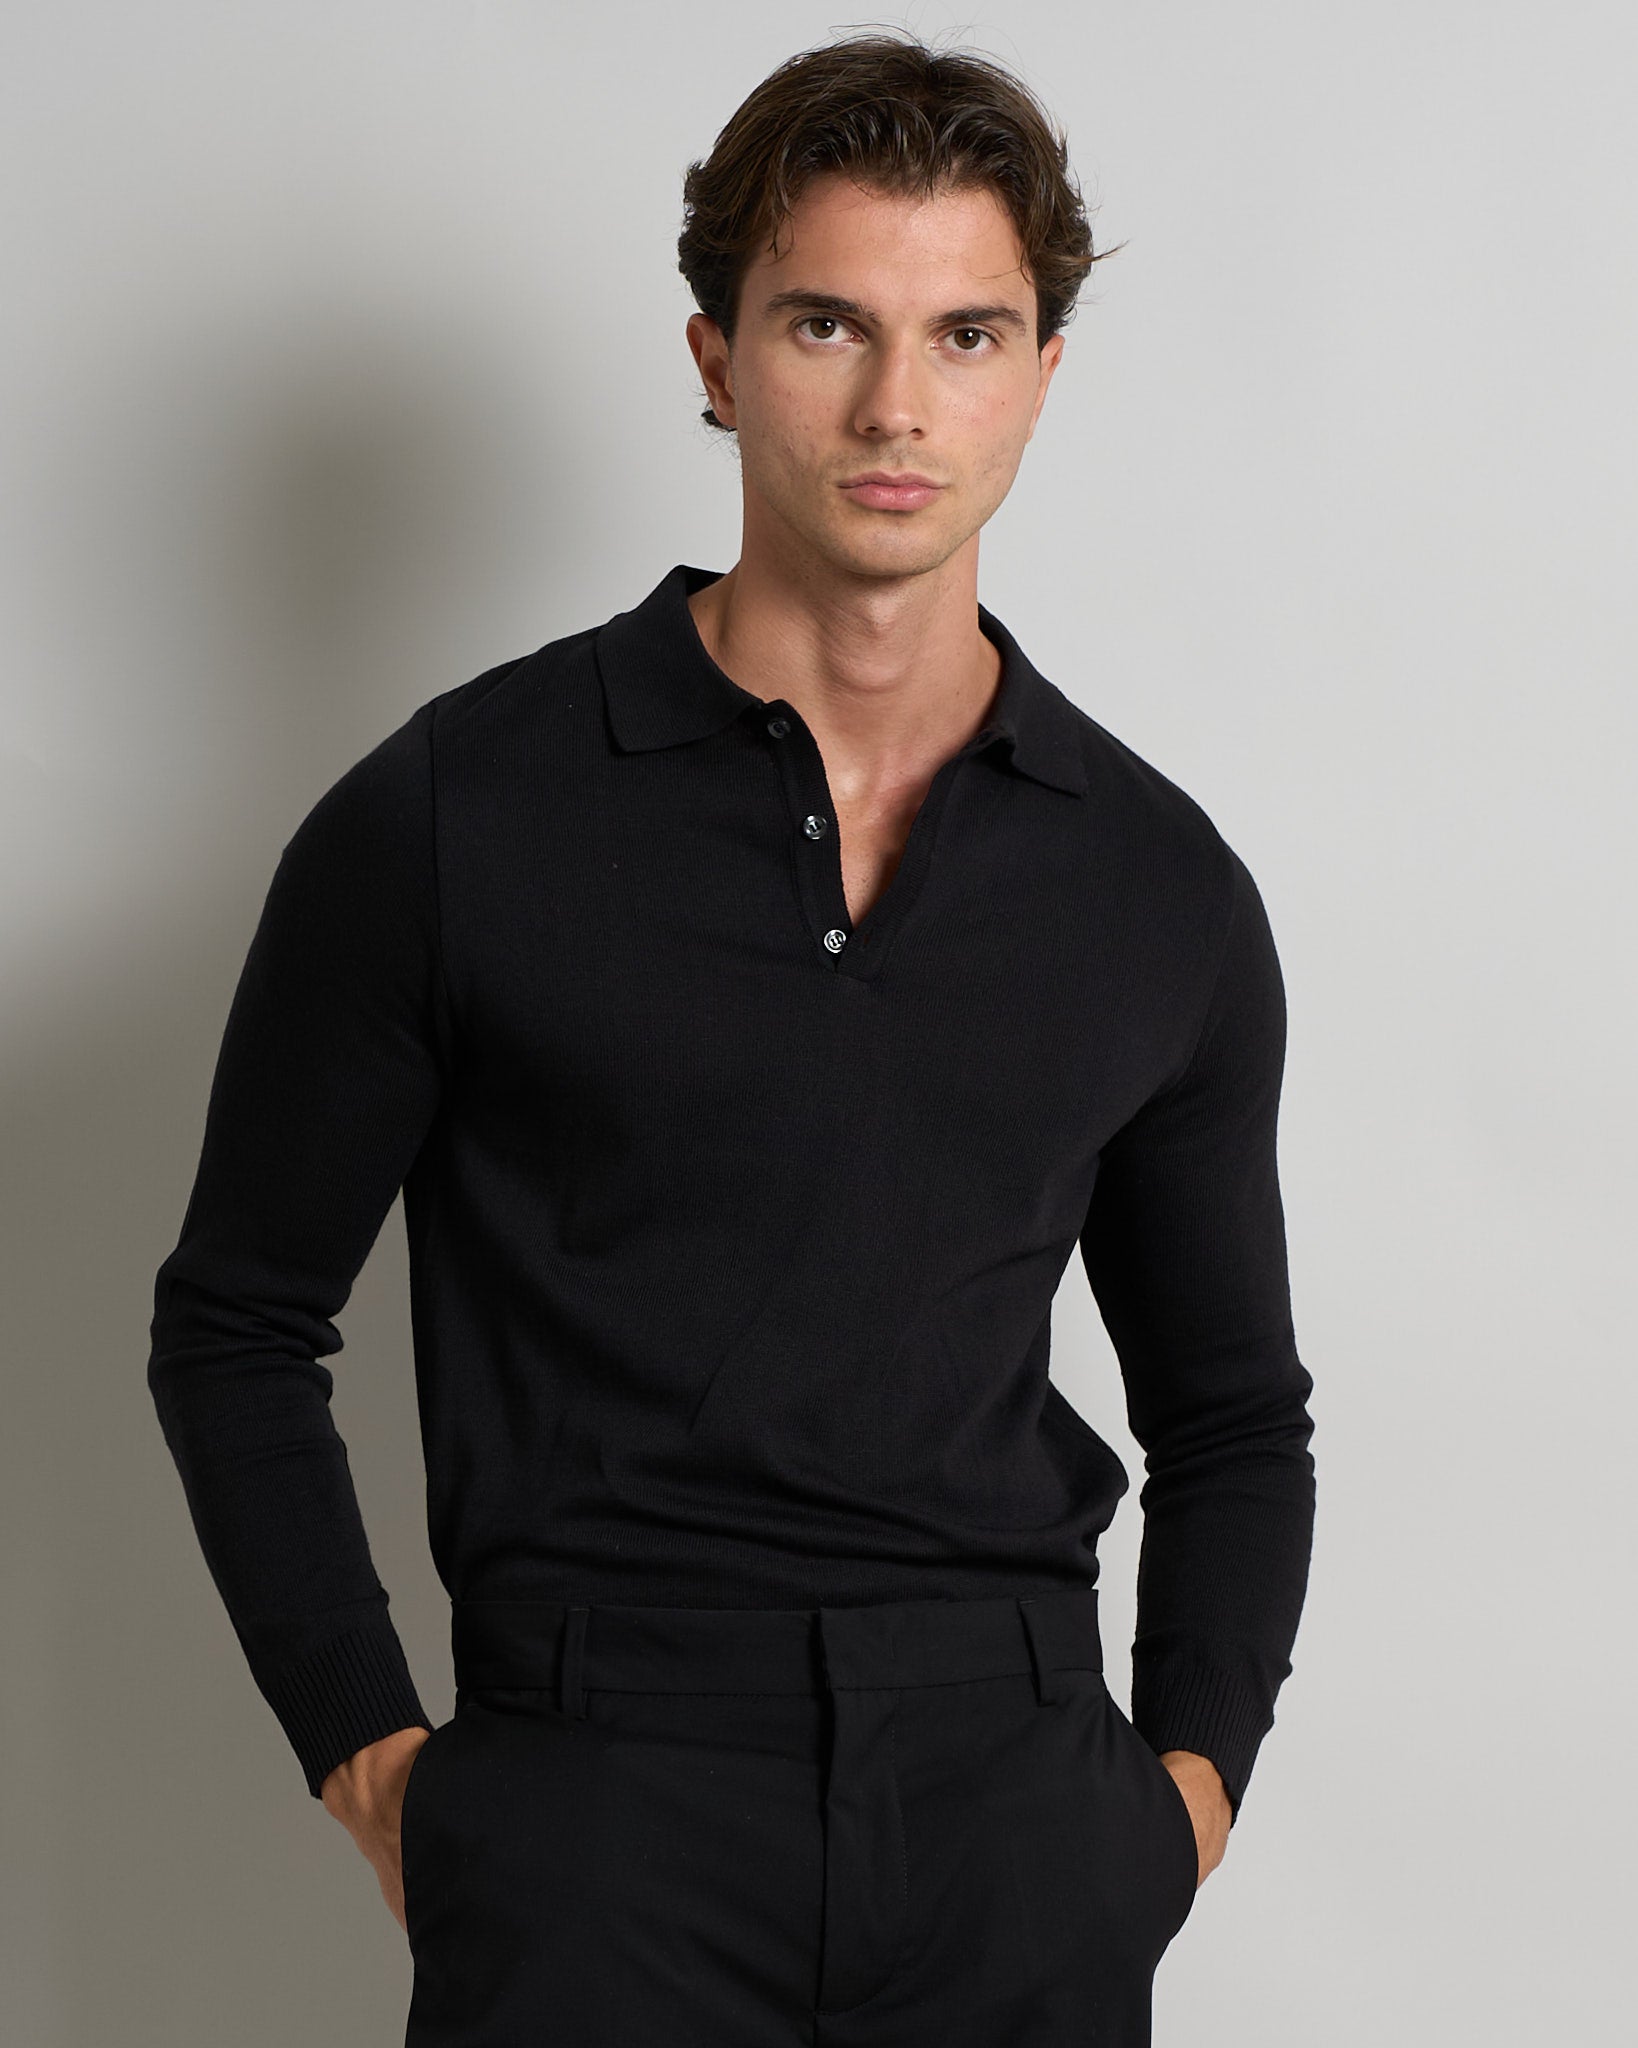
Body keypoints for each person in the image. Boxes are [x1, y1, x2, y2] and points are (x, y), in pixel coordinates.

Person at [147, 28, 1315, 2047]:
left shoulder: (1154, 883)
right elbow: (238, 1322)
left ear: (1043, 375)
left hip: (1014, 1809)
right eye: (825, 324)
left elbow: (1231, 1414)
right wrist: (374, 1753)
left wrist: (1177, 1804)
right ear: (715, 356)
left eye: (966, 335)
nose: (895, 404)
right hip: (599, 1812)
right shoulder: (453, 819)